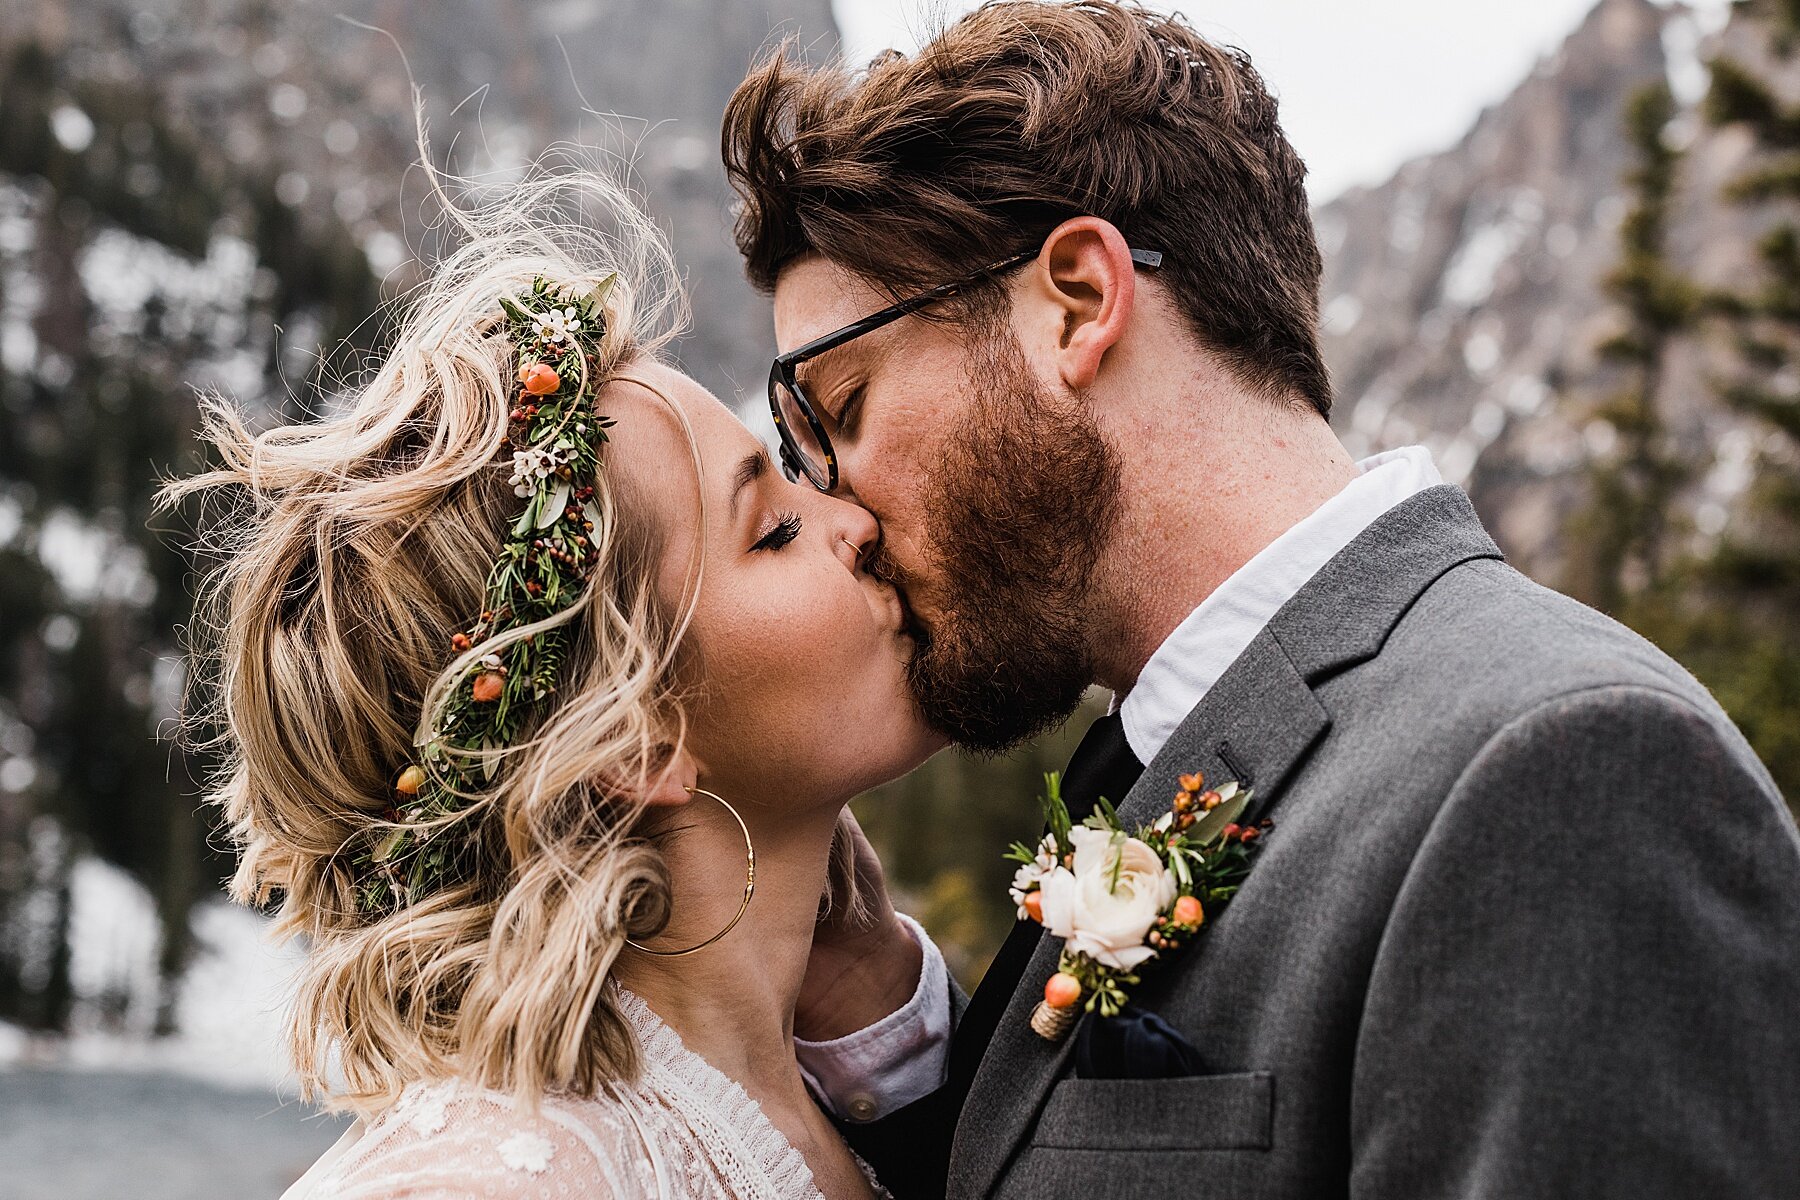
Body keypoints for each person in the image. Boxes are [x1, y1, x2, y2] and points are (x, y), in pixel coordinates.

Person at [719, 2, 1800, 1197]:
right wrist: (883, 1017)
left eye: (846, 409)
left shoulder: (1570, 777)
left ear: (1077, 300)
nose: (846, 515)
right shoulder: (1173, 750)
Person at [166, 168, 956, 1199]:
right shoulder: (491, 1180)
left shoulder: (816, 1097)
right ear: (635, 739)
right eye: (772, 530)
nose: (854, 524)